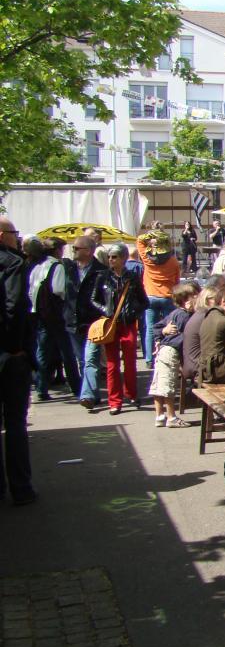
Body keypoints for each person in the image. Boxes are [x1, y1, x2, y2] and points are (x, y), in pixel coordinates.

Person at [0, 216, 36, 505]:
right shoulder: (13, 264)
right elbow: (15, 306)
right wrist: (15, 347)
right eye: (14, 233)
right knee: (14, 423)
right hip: (9, 354)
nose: (17, 237)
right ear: (2, 235)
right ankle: (21, 487)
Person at [90, 243, 149, 415]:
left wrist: (133, 311)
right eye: (109, 257)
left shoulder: (132, 277)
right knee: (111, 364)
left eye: (114, 257)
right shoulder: (103, 277)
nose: (111, 260)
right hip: (111, 325)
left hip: (128, 324)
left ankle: (131, 394)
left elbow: (144, 302)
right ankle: (114, 401)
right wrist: (105, 310)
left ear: (123, 258)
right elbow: (93, 299)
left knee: (130, 363)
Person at [29, 237, 79, 401]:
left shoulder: (37, 266)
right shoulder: (57, 266)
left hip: (40, 315)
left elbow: (31, 291)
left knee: (43, 352)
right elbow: (58, 290)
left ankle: (42, 387)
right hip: (57, 316)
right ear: (57, 250)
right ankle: (76, 387)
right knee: (67, 353)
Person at [63, 236, 108, 410]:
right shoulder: (69, 269)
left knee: (90, 359)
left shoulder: (101, 271)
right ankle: (93, 394)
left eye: (76, 248)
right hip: (72, 321)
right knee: (82, 360)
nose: (72, 251)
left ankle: (87, 396)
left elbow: (105, 298)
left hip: (92, 323)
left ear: (88, 251)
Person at [149, 283, 198, 428]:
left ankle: (159, 415)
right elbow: (185, 338)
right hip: (171, 352)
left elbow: (157, 327)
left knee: (159, 385)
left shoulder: (176, 313)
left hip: (164, 351)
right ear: (186, 301)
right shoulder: (184, 316)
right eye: (194, 298)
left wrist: (160, 336)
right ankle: (171, 417)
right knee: (167, 386)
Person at [136, 229, 181, 368]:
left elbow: (139, 240)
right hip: (167, 296)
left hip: (150, 296)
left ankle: (149, 359)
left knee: (150, 328)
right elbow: (176, 280)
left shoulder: (147, 258)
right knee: (170, 327)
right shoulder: (173, 261)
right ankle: (168, 355)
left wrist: (151, 235)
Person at [182, 286, 217, 382]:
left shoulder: (200, 314)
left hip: (190, 363)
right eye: (216, 299)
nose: (220, 302)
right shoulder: (206, 316)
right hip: (198, 367)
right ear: (207, 300)